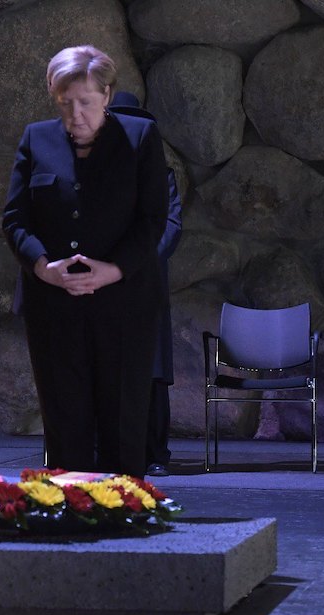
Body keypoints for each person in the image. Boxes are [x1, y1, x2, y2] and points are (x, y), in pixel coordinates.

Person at [2, 45, 168, 477]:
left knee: (122, 427)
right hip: (54, 307)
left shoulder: (140, 138)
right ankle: (68, 510)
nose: (75, 114)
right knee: (64, 425)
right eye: (65, 103)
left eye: (86, 102)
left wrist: (113, 270)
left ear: (107, 94)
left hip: (124, 306)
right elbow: (15, 219)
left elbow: (153, 219)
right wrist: (43, 267)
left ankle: (123, 510)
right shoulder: (36, 139)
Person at [107, 91, 183, 478]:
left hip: (144, 284)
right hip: (104, 287)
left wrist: (135, 263)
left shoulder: (161, 176)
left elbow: (171, 226)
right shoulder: (98, 176)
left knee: (151, 371)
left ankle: (155, 452)